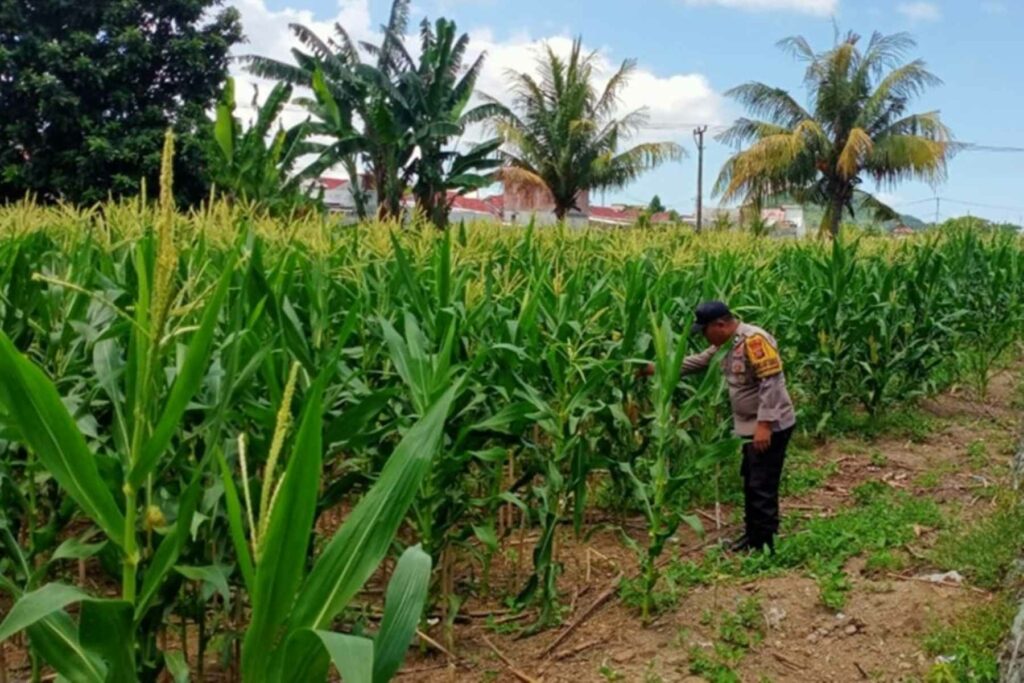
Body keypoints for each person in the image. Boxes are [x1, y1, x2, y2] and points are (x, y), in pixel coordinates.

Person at [639, 301, 796, 553]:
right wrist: (653, 369)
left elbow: (772, 383)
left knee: (761, 483)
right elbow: (697, 362)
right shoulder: (726, 345)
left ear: (720, 325)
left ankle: (764, 544)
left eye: (704, 331)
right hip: (749, 427)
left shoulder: (753, 340)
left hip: (769, 426)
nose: (704, 337)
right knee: (751, 481)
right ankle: (753, 536)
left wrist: (764, 425)